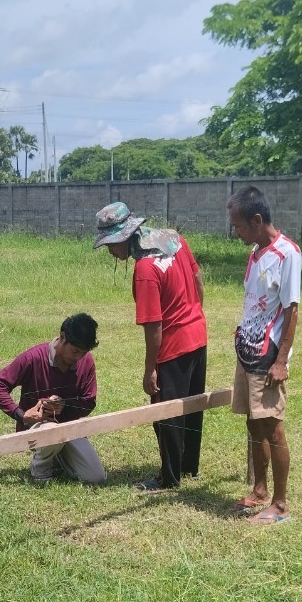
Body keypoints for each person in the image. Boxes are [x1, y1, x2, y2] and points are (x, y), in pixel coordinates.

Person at [94, 201, 207, 492]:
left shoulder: (145, 269)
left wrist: (150, 370)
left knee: (165, 413)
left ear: (123, 237)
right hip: (198, 335)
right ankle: (189, 467)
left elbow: (154, 324)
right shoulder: (173, 238)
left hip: (173, 346)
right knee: (191, 406)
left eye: (110, 244)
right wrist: (195, 315)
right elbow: (197, 278)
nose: (110, 251)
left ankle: (169, 477)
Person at [227, 186, 302, 523]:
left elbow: (291, 310)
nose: (236, 232)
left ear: (256, 220)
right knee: (253, 423)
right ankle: (259, 491)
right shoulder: (256, 253)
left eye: (238, 225)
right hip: (248, 351)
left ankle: (280, 504)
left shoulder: (288, 254)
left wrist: (281, 361)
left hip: (268, 356)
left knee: (272, 428)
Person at [0, 313, 107, 485]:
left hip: (69, 426)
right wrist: (21, 415)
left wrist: (65, 405)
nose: (79, 357)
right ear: (62, 336)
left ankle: (57, 456)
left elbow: (89, 401)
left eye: (84, 352)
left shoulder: (86, 361)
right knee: (51, 430)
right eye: (75, 351)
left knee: (95, 477)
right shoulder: (33, 357)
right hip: (37, 426)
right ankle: (41, 469)